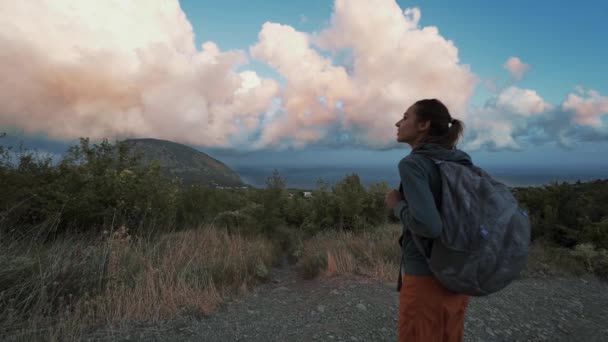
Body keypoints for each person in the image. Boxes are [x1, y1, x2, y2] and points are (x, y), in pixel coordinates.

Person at [385, 99, 472, 342]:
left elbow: (429, 226)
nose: (398, 123)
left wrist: (397, 205)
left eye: (405, 117)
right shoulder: (460, 160)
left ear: (423, 125)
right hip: (458, 270)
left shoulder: (413, 164)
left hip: (425, 276)